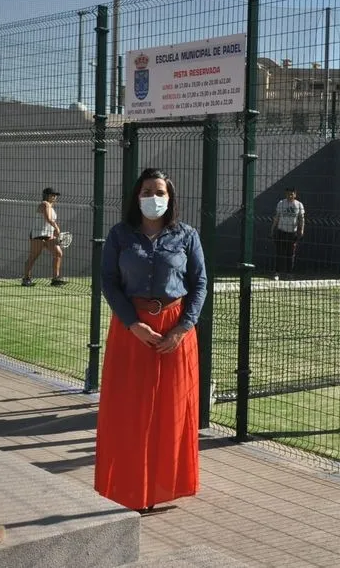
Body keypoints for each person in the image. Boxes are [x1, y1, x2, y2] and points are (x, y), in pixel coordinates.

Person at [95, 168, 207, 513]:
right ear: (136, 196)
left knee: (173, 410)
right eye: (146, 191)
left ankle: (166, 487)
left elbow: (200, 284)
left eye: (159, 191)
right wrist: (133, 324)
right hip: (132, 330)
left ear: (170, 196)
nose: (153, 198)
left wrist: (182, 328)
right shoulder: (120, 235)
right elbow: (109, 282)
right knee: (130, 411)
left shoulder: (187, 236)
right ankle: (130, 488)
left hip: (176, 330)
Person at [22, 187, 67, 286]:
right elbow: (48, 218)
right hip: (39, 235)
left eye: (55, 195)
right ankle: (26, 279)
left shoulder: (51, 206)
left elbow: (48, 221)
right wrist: (57, 228)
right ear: (47, 196)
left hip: (48, 235)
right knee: (33, 256)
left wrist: (53, 232)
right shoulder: (44, 204)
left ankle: (55, 279)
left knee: (58, 253)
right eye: (53, 195)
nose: (55, 197)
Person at [271, 187, 305, 280]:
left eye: (292, 194)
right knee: (279, 253)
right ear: (285, 194)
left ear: (295, 194)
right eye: (288, 194)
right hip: (281, 231)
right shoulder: (281, 203)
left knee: (290, 254)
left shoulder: (299, 205)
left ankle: (289, 274)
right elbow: (277, 216)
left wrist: (301, 230)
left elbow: (301, 219)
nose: (290, 196)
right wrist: (273, 228)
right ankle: (277, 273)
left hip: (292, 233)